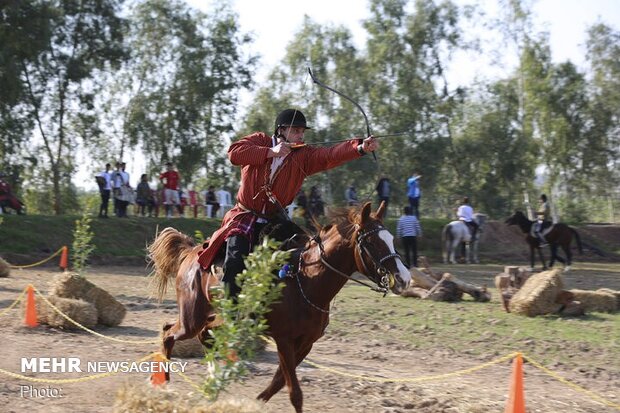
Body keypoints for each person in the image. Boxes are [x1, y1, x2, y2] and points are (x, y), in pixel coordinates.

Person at [196, 108, 379, 299]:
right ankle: (230, 313)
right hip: (244, 217)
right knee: (235, 262)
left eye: (302, 131)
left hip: (275, 221)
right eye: (296, 130)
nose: (300, 135)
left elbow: (329, 155)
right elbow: (234, 154)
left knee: (305, 253)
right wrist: (269, 152)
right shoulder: (260, 141)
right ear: (281, 130)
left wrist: (359, 148)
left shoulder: (303, 156)